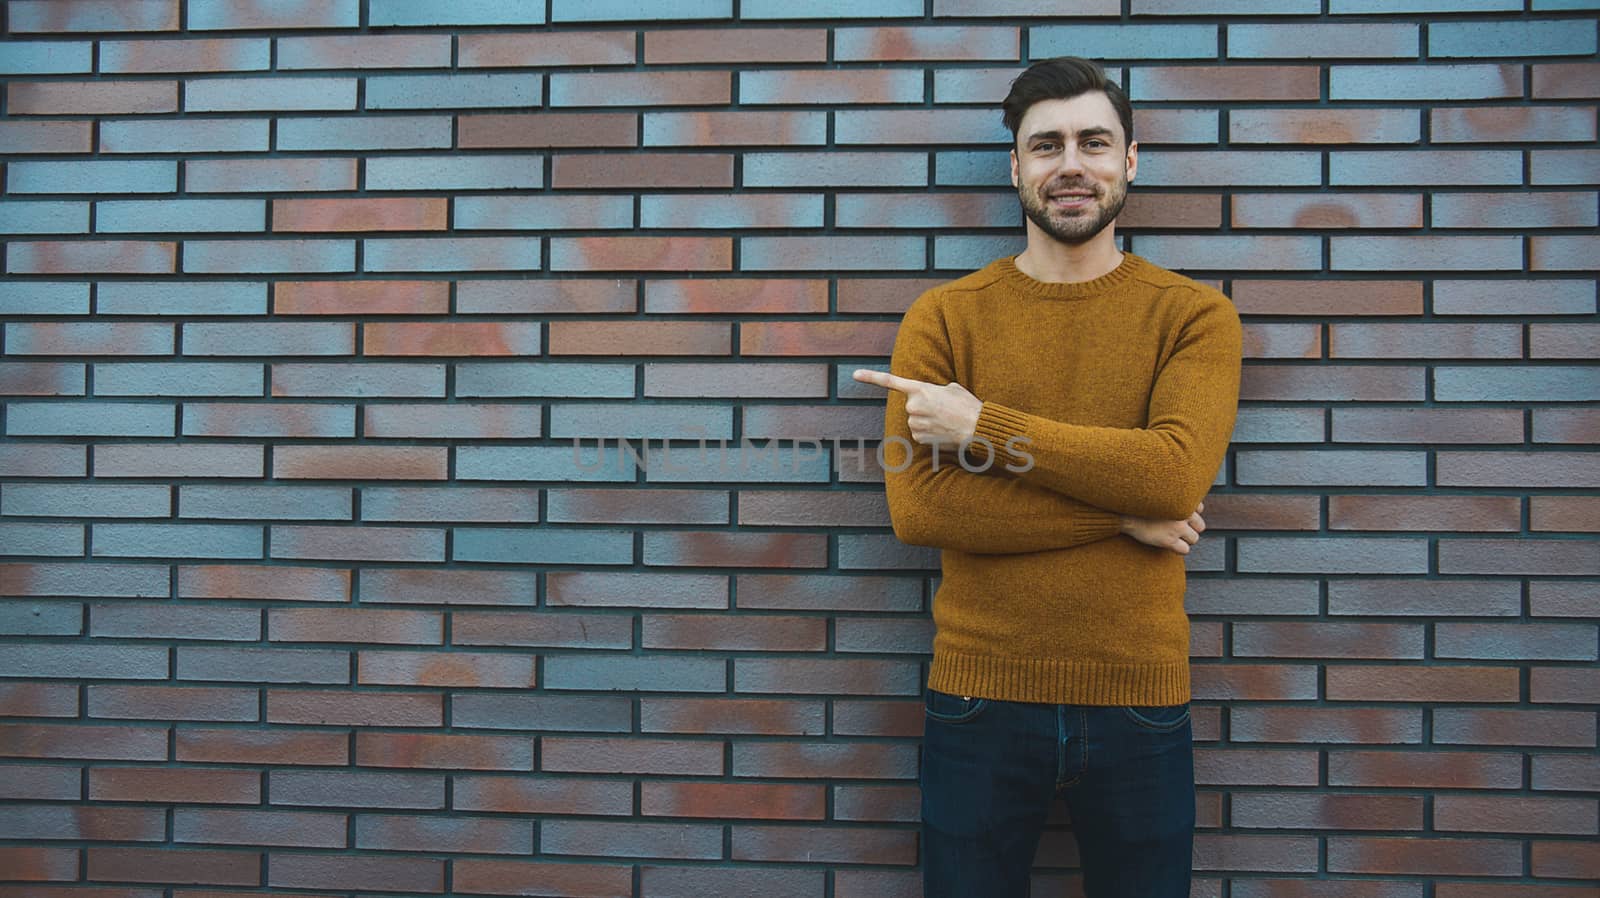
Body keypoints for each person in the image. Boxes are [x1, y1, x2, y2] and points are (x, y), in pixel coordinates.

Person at [852, 56, 1243, 898]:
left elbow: (1173, 476)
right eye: (1048, 145)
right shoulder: (945, 316)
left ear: (1130, 160)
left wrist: (981, 427)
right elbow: (920, 508)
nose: (1072, 164)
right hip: (978, 698)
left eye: (1094, 142)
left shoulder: (1193, 316)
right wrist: (1124, 511)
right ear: (1016, 168)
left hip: (1139, 697)